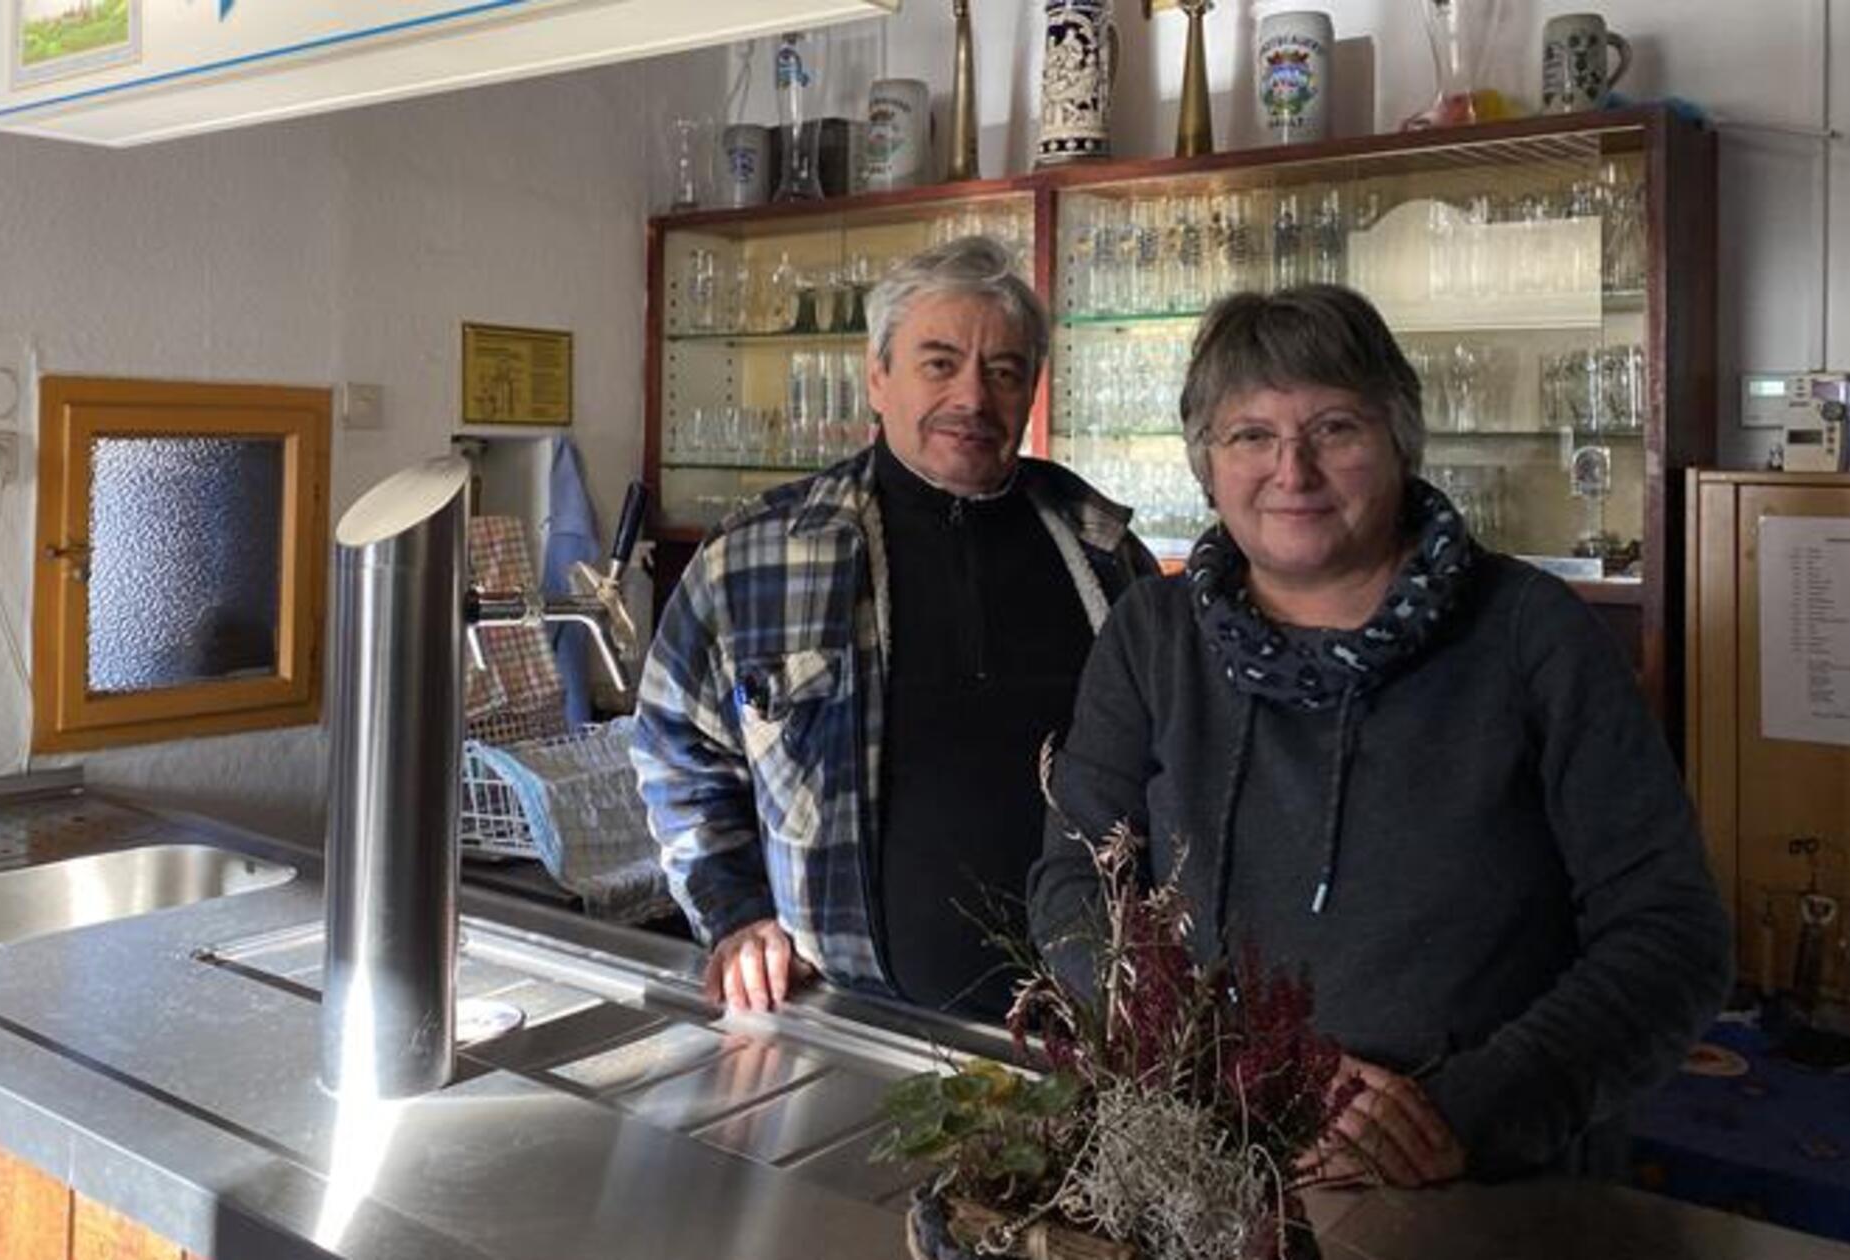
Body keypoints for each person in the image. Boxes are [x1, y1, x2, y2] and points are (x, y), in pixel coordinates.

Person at [1028, 285, 1731, 1184]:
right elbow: (1072, 882)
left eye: (1334, 429)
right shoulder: (1150, 635)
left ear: (1400, 442)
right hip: (1206, 1153)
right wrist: (1198, 1056)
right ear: (1205, 461)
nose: (1292, 471)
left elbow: (1672, 935)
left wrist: (1460, 1111)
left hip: (1475, 1183)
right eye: (1249, 435)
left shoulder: (1530, 634)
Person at [633, 236, 1156, 1019]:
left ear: (1031, 391)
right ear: (876, 377)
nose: (973, 399)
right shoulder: (753, 558)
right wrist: (734, 912)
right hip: (846, 1016)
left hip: (1089, 1026)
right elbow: (677, 752)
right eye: (938, 363)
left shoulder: (1103, 553)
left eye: (1004, 372)